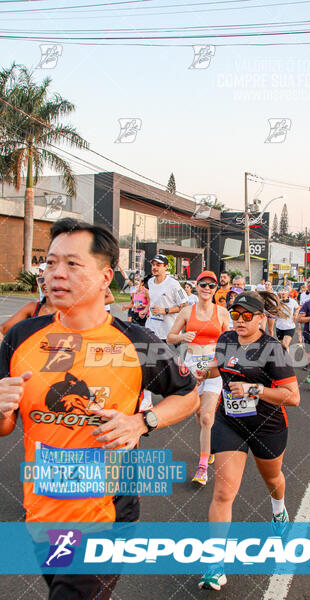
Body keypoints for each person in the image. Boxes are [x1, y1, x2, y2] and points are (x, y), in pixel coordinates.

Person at [0, 218, 199, 600]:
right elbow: (4, 426)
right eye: (51, 263)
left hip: (106, 516)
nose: (56, 274)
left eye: (72, 264)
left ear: (106, 276)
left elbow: (188, 395)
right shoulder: (21, 337)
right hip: (41, 511)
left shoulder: (136, 342)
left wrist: (143, 422)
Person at [196, 291, 300, 590]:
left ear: (260, 318)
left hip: (268, 426)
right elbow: (221, 366)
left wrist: (255, 389)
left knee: (273, 479)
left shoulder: (273, 349)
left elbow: (292, 398)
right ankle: (215, 565)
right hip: (231, 423)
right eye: (235, 314)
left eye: (246, 316)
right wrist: (203, 372)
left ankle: (278, 510)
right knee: (223, 493)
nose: (239, 321)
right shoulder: (226, 339)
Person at [167, 271, 229, 486]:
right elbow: (170, 337)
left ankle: (202, 466)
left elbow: (229, 341)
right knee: (198, 412)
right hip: (191, 364)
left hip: (211, 365)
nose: (206, 288)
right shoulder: (186, 311)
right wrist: (183, 336)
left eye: (211, 286)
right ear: (197, 285)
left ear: (215, 289)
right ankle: (208, 446)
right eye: (203, 284)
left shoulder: (222, 313)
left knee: (206, 417)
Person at [146, 254, 188, 342]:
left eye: (158, 265)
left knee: (171, 356)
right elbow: (153, 299)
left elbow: (185, 305)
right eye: (153, 265)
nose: (154, 267)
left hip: (169, 333)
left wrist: (166, 310)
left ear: (166, 267)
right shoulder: (150, 282)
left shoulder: (174, 284)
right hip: (152, 329)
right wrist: (146, 310)